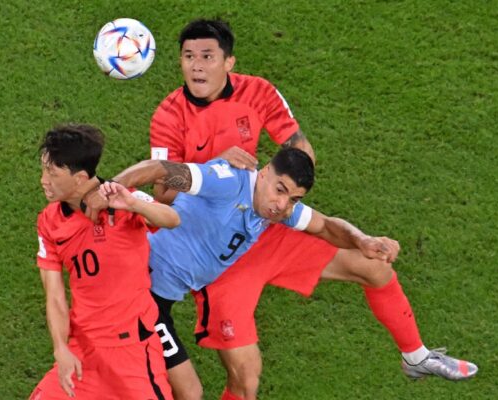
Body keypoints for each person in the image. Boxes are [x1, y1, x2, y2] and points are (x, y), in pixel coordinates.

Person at [144, 19, 478, 400]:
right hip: (217, 252)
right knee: (246, 379)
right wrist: (216, 167)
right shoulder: (169, 115)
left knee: (372, 263)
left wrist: (274, 193)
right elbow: (162, 193)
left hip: (263, 226)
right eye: (189, 57)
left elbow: (301, 151)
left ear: (229, 62)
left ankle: (416, 357)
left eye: (207, 56)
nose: (197, 66)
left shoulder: (258, 92)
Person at [30, 124, 177, 400]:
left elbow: (171, 219)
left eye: (52, 173)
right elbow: (55, 295)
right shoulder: (49, 221)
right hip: (83, 349)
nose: (43, 180)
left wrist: (133, 204)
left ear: (79, 178)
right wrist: (60, 348)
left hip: (132, 351)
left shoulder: (122, 198)